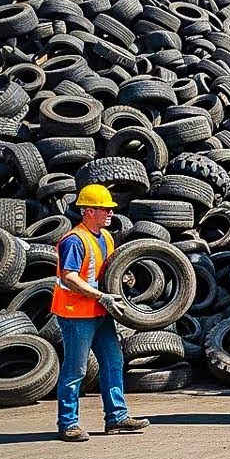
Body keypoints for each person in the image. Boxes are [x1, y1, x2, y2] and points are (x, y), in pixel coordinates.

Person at [52, 184, 149, 442]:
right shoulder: (74, 240)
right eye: (104, 209)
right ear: (88, 211)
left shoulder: (105, 237)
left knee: (114, 362)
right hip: (76, 314)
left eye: (110, 209)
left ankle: (116, 418)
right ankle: (68, 423)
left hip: (99, 312)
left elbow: (106, 271)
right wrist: (101, 296)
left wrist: (123, 279)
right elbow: (69, 277)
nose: (110, 213)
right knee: (76, 369)